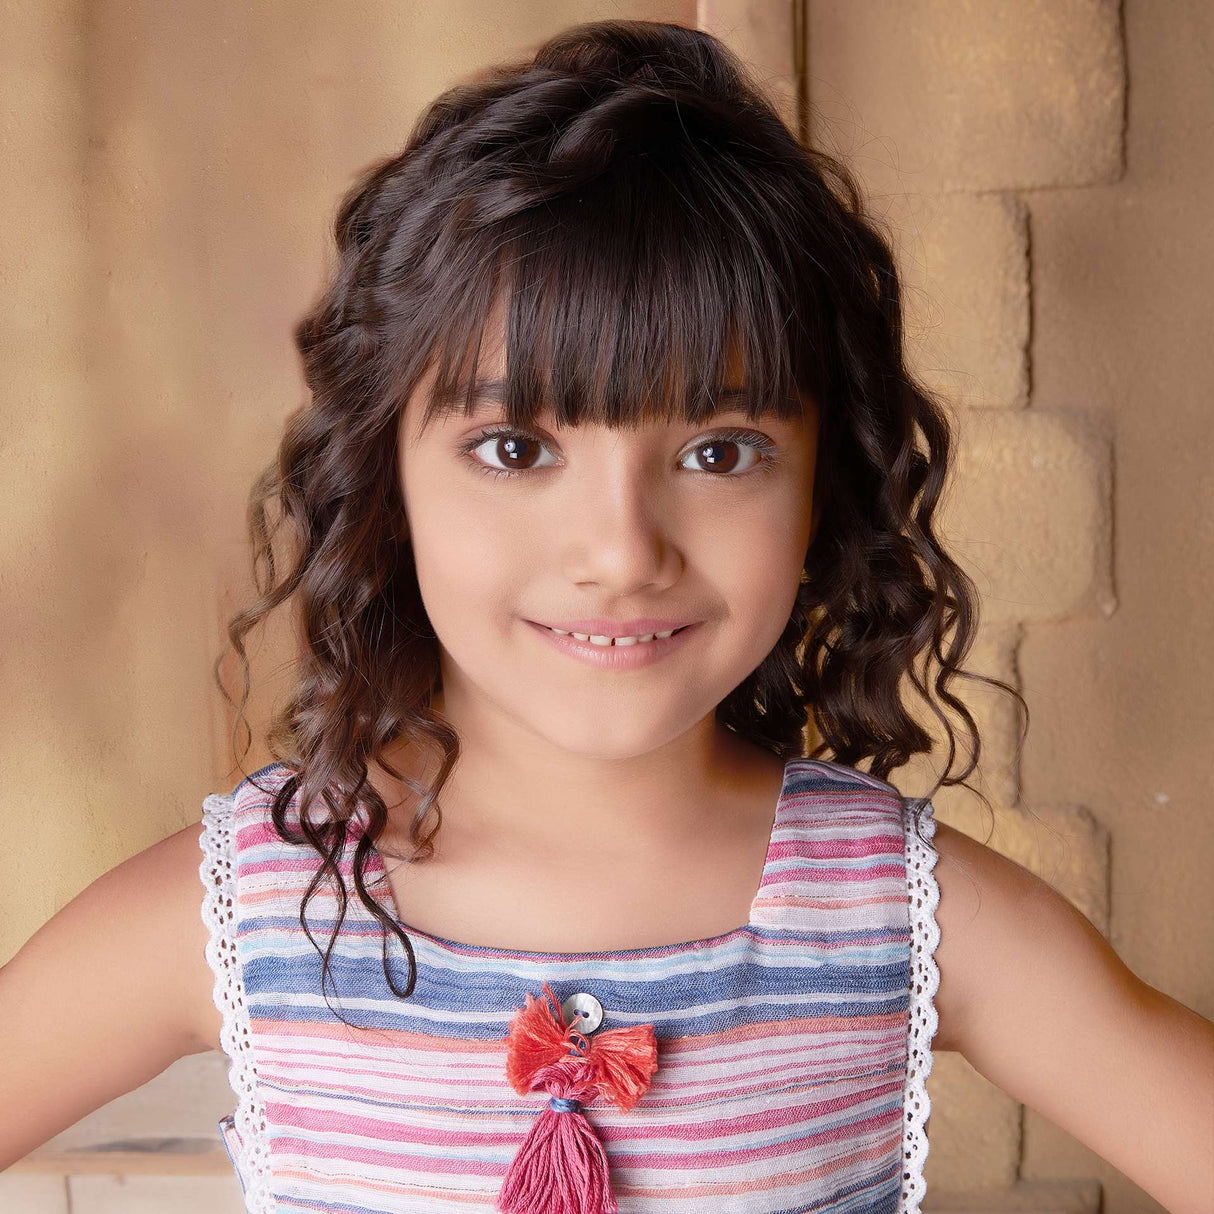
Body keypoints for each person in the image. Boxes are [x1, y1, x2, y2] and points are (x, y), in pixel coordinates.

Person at [3, 17, 1211, 1214]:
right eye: (516, 445)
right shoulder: (246, 902)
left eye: (719, 449)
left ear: (819, 491)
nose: (621, 552)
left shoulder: (905, 913)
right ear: (386, 481)